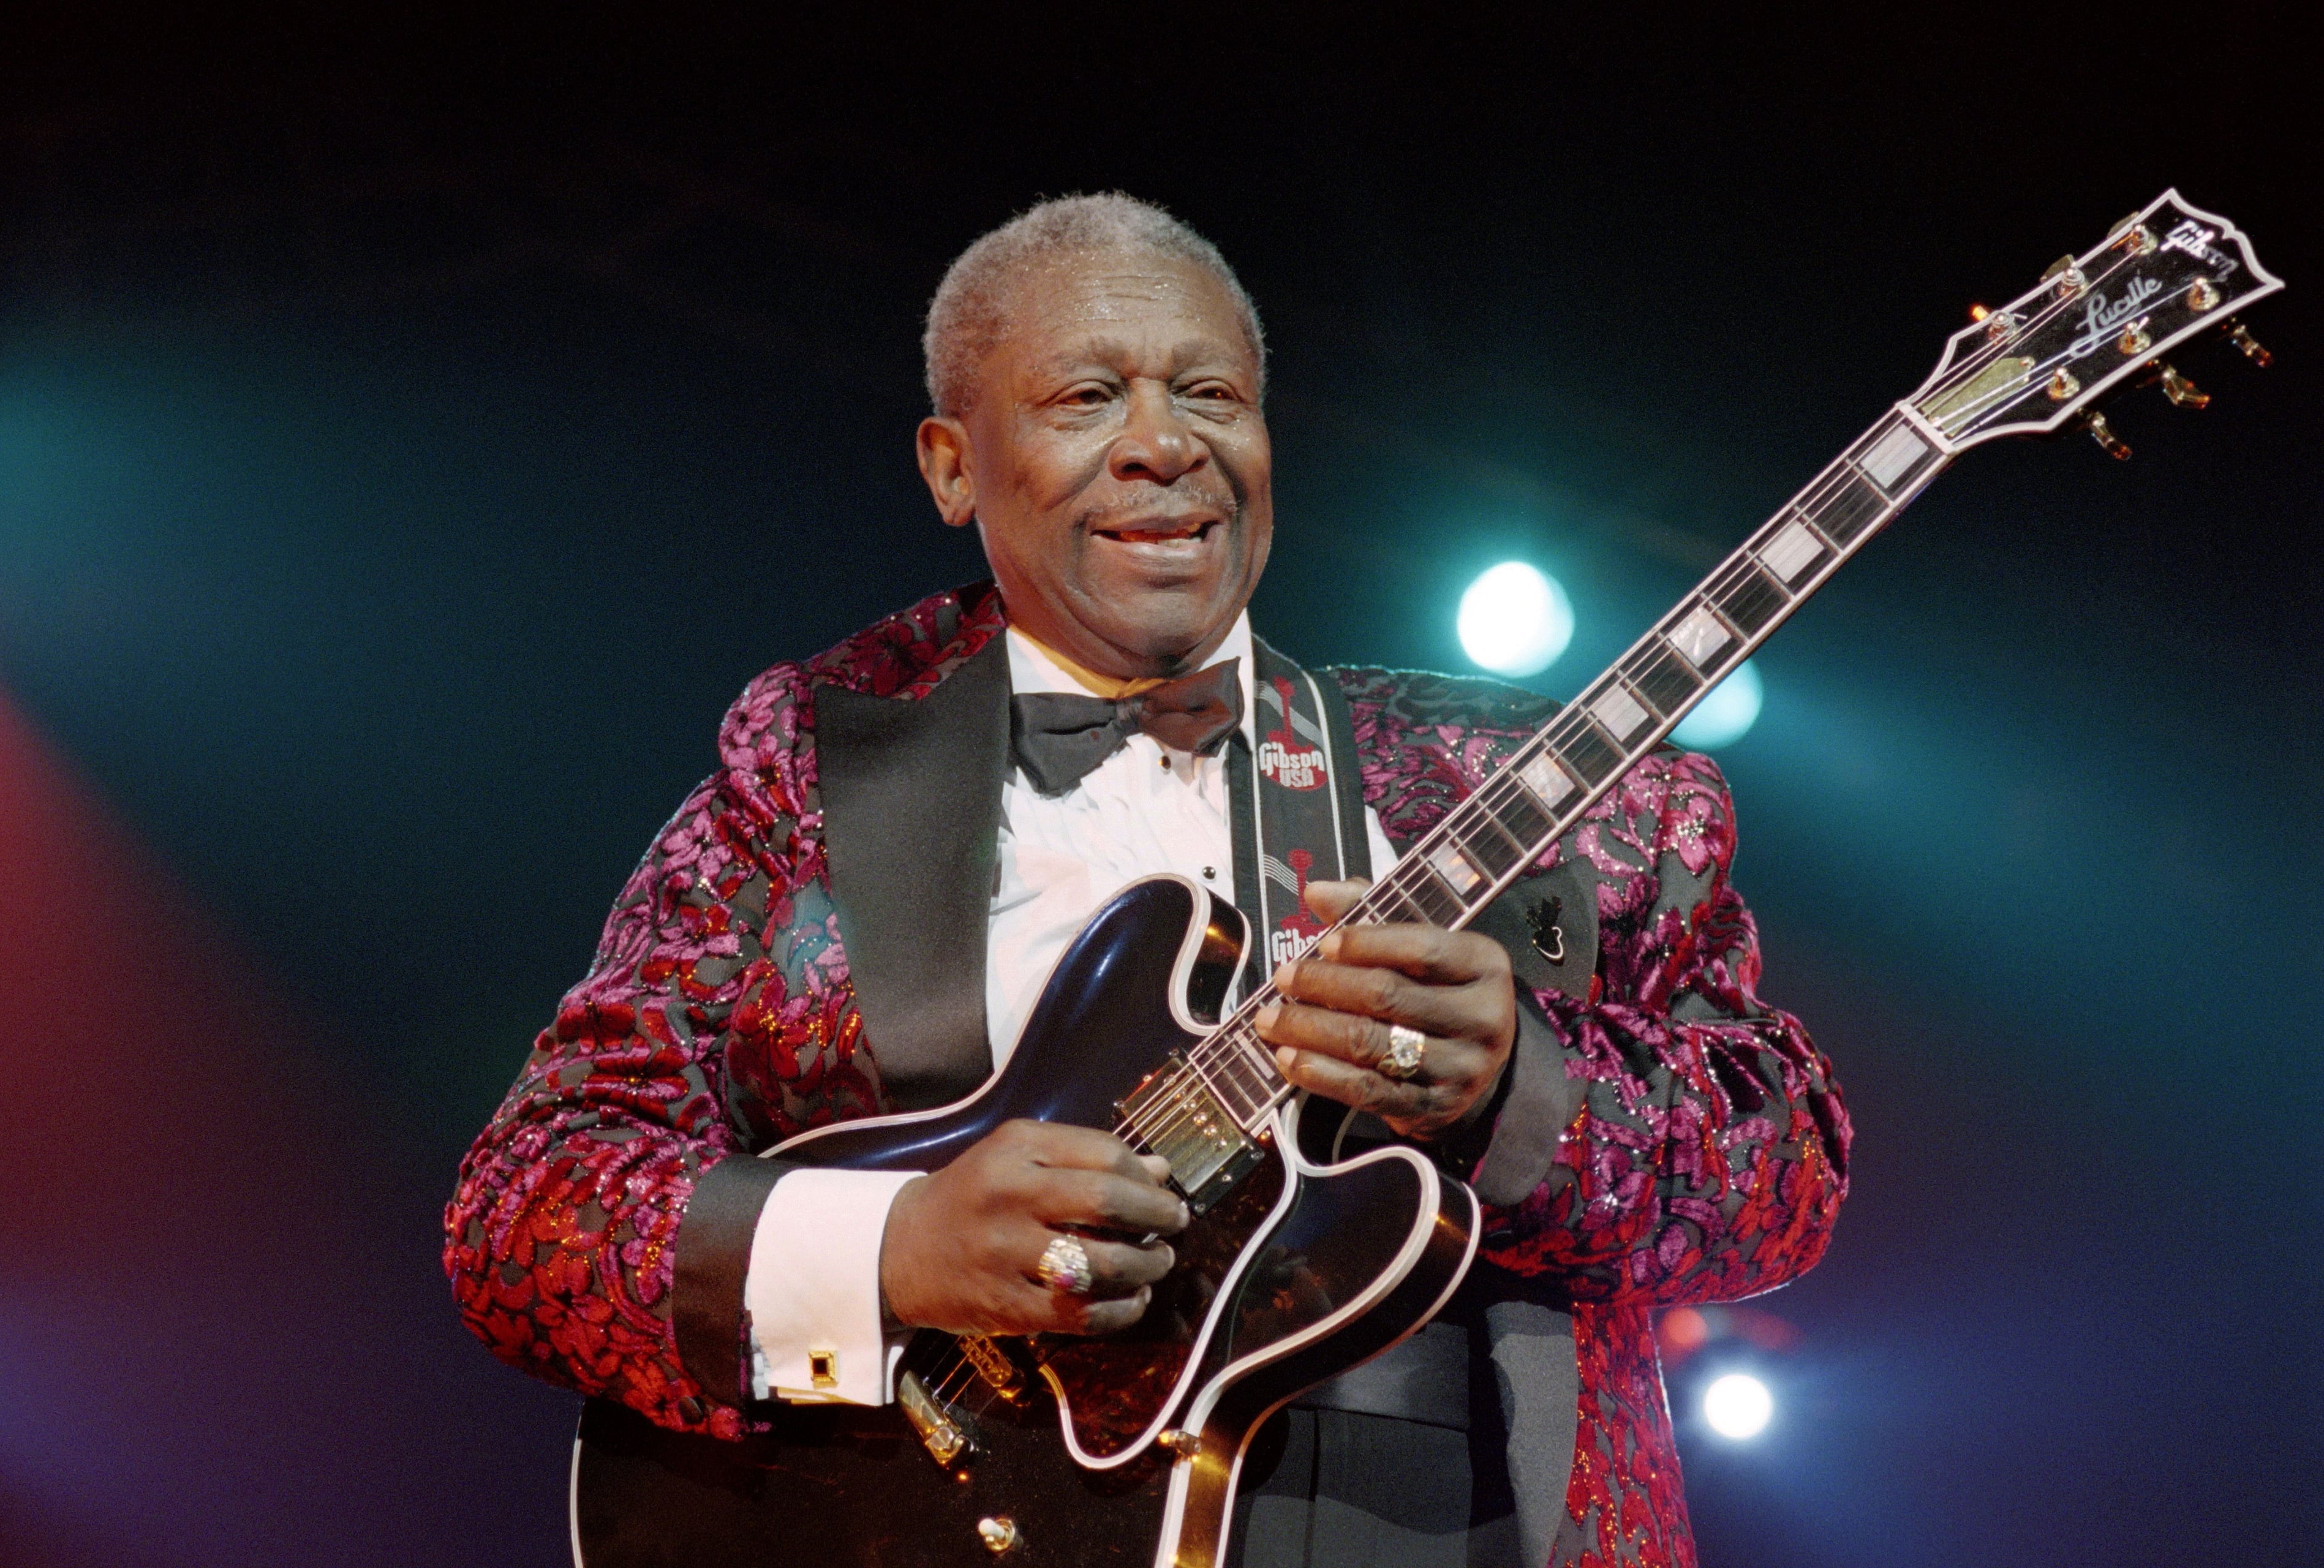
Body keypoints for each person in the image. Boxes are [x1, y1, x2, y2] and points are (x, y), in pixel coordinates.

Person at [444, 192, 1849, 1567]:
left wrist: (1514, 1086)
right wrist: (895, 1246)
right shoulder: (810, 775)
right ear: (953, 465)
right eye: (1086, 398)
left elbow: (1782, 1175)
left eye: (1211, 394)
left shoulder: (1533, 788)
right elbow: (529, 1204)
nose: (1165, 444)